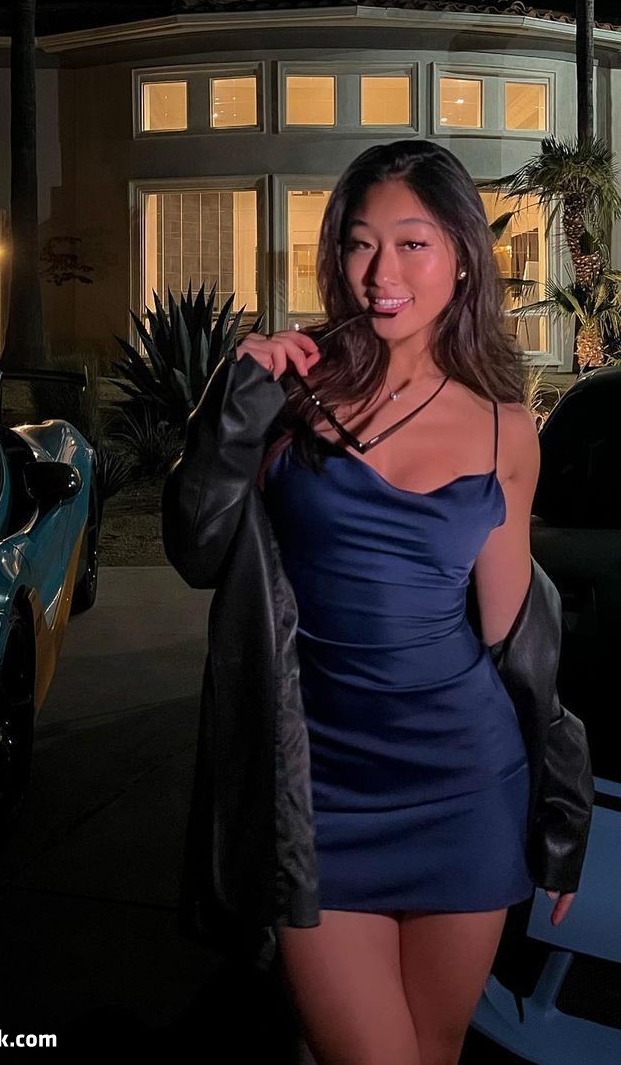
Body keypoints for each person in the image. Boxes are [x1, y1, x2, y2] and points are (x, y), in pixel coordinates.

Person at [226, 140, 575, 1065]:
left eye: (412, 244)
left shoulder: (506, 429)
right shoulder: (290, 396)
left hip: (465, 786)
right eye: (360, 243)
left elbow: (515, 640)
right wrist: (232, 410)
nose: (381, 273)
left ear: (462, 257)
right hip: (320, 792)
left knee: (435, 1048)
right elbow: (196, 545)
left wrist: (562, 806)